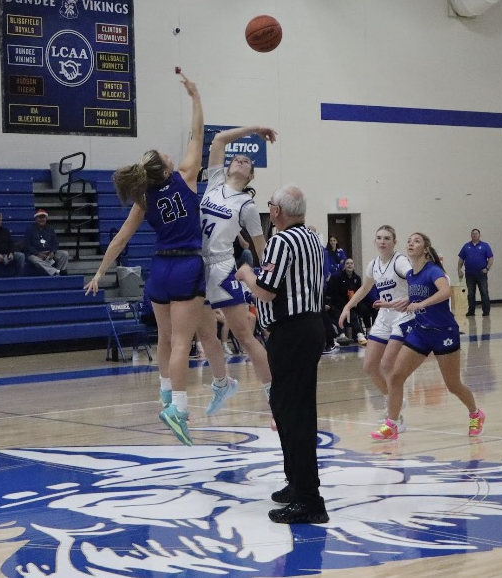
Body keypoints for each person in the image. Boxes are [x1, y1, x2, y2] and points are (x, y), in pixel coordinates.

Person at [85, 72, 235, 446]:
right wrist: (196, 95)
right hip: (187, 265)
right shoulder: (185, 176)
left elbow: (120, 240)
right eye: (166, 155)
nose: (172, 153)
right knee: (185, 342)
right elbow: (197, 134)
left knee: (178, 336)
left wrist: (100, 272)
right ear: (166, 169)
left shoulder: (143, 199)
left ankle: (174, 391)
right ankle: (178, 409)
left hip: (159, 270)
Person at [236, 184, 330, 525]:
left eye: (270, 204)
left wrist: (247, 274)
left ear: (277, 211)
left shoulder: (281, 241)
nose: (269, 208)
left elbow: (267, 290)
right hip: (309, 328)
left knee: (295, 414)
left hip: (292, 332)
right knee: (288, 407)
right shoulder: (313, 239)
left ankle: (309, 499)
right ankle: (298, 483)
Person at [371, 233, 485, 440]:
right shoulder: (412, 276)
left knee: (453, 385)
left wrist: (421, 305)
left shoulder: (433, 271)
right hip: (421, 332)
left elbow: (445, 292)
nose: (410, 243)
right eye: (409, 241)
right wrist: (389, 304)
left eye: (416, 241)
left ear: (425, 249)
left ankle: (476, 414)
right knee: (396, 377)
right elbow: (413, 299)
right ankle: (392, 424)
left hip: (444, 333)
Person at [198, 125, 278, 415]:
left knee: (244, 335)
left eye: (248, 162)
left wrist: (270, 278)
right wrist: (254, 130)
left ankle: (273, 390)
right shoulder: (215, 179)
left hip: (221, 267)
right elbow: (219, 139)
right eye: (237, 159)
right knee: (206, 335)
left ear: (251, 176)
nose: (241, 161)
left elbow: (261, 245)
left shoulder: (247, 205)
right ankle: (222, 383)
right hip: (198, 265)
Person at [338, 226, 413, 433]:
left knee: (388, 364)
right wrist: (347, 307)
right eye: (379, 238)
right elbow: (364, 288)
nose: (382, 242)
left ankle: (395, 418)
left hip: (403, 315)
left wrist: (410, 299)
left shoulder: (400, 261)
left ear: (394, 242)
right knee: (370, 366)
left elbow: (415, 278)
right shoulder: (373, 264)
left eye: (387, 238)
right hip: (384, 316)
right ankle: (394, 400)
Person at [327, 258, 366, 345]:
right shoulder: (338, 277)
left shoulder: (357, 278)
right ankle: (342, 335)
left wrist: (354, 303)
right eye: (347, 263)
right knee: (337, 313)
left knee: (355, 312)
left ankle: (360, 334)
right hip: (338, 303)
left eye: (351, 263)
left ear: (354, 266)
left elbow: (359, 293)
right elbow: (334, 293)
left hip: (350, 303)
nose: (349, 265)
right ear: (344, 266)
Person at [457, 228, 494, 317]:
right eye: (473, 234)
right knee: (470, 293)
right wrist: (459, 269)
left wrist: (487, 268)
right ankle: (471, 311)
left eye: (476, 233)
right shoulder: (466, 246)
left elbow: (491, 258)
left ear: (479, 235)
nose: (475, 235)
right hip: (469, 274)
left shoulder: (485, 246)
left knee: (484, 292)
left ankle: (486, 311)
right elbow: (461, 259)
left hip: (481, 273)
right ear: (471, 235)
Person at [23, 209, 69, 276]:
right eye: (40, 217)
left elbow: (56, 243)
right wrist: (37, 254)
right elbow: (27, 245)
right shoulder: (30, 229)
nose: (42, 219)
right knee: (35, 260)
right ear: (36, 219)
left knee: (64, 254)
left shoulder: (50, 229)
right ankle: (56, 272)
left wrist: (53, 252)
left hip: (49, 253)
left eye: (43, 217)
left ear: (46, 218)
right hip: (35, 254)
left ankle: (60, 272)